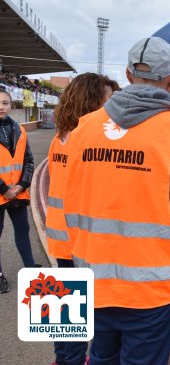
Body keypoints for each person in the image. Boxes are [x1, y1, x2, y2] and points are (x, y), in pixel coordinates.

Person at [63, 37, 170, 365]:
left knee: (101, 358)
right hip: (151, 288)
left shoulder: (83, 129)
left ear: (128, 75)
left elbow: (70, 196)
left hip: (92, 277)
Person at [46, 72, 119, 365]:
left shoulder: (58, 139)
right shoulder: (88, 143)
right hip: (82, 240)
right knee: (84, 315)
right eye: (108, 102)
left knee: (65, 311)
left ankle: (63, 359)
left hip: (61, 236)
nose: (113, 109)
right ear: (91, 103)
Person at [0, 88, 37, 295]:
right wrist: (5, 190)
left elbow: (28, 161)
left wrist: (20, 186)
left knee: (23, 231)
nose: (1, 107)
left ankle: (30, 269)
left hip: (17, 193)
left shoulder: (19, 130)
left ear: (11, 105)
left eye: (5, 103)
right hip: (3, 193)